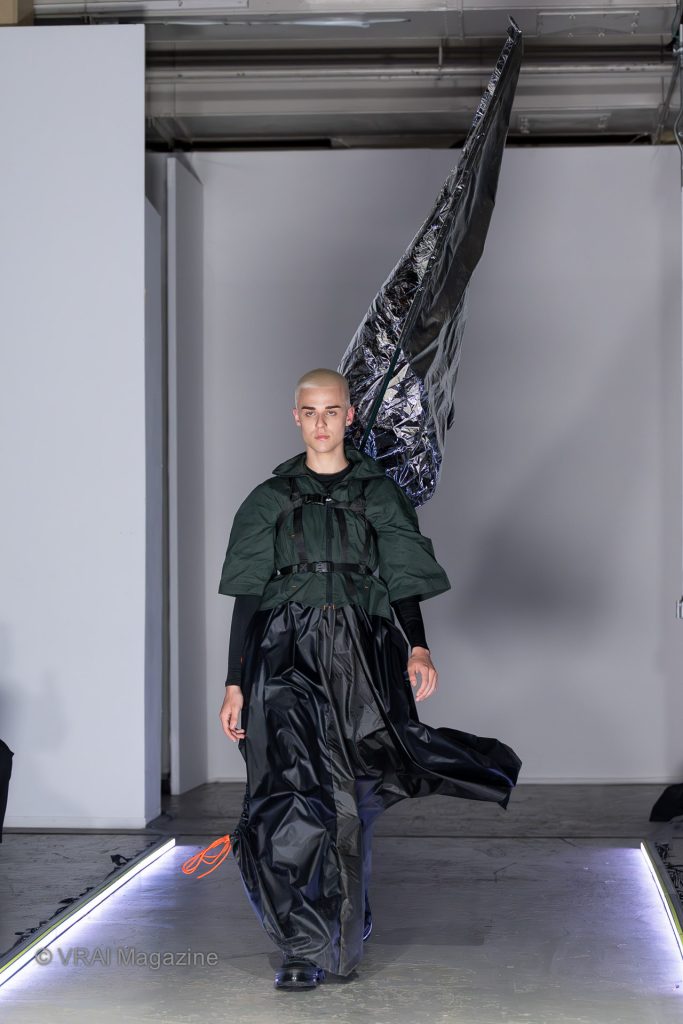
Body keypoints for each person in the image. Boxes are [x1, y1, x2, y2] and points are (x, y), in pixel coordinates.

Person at [216, 367, 521, 990]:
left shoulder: (379, 494)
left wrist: (419, 648)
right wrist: (234, 684)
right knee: (289, 793)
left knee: (354, 793)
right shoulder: (268, 500)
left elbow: (402, 576)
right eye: (310, 412)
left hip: (361, 652)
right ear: (296, 417)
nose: (321, 423)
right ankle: (304, 945)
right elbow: (248, 597)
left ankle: (344, 915)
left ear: (349, 416)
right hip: (284, 653)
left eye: (332, 411)